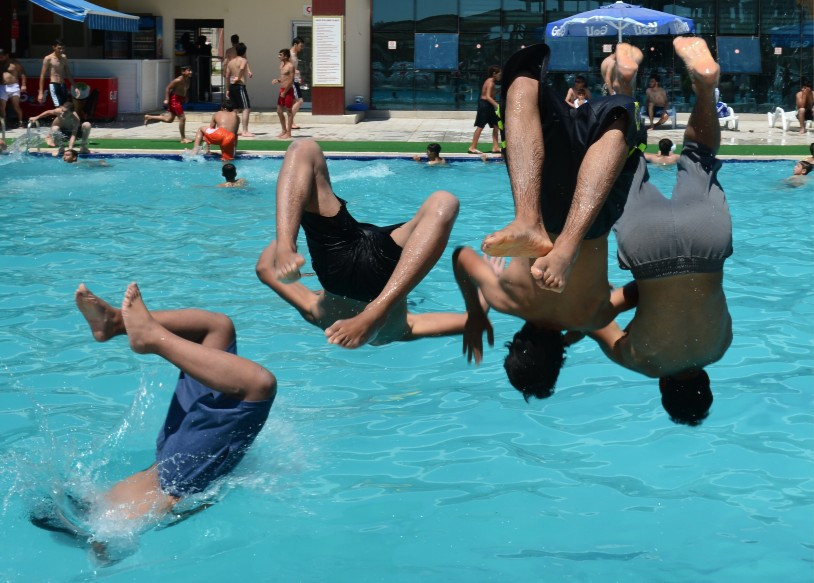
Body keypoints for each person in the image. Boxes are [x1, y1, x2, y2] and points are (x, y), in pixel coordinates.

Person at [587, 37, 732, 426]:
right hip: (646, 249)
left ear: (707, 381)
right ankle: (623, 89)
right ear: (664, 389)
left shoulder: (721, 347)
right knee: (626, 164)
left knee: (700, 157)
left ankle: (704, 87)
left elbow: (686, 291)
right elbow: (594, 321)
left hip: (708, 244)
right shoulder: (641, 363)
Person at [65, 282, 275, 527]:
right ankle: (150, 337)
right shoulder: (120, 516)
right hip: (181, 472)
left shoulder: (110, 510)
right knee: (256, 380)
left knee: (217, 330)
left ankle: (115, 323)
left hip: (178, 459)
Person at [255, 139, 472, 349]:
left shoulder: (396, 332)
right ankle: (376, 309)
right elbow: (265, 270)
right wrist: (279, 252)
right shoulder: (325, 318)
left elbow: (471, 322)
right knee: (445, 201)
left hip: (345, 264)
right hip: (354, 270)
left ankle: (288, 245)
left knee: (445, 202)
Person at [481, 42, 645, 295]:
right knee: (621, 109)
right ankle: (561, 242)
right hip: (590, 210)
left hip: (549, 190)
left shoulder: (508, 299)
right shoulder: (510, 299)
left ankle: (529, 219)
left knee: (522, 79)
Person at [144, 66, 193, 143]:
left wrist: (185, 97)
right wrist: (167, 99)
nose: (190, 72)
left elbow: (185, 89)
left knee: (169, 119)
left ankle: (149, 117)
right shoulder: (178, 80)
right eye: (188, 70)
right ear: (183, 72)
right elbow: (168, 88)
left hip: (179, 100)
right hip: (174, 100)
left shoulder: (187, 80)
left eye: (190, 70)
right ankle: (183, 138)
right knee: (182, 118)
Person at [468, 66, 502, 155]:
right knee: (480, 126)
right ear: (494, 74)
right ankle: (472, 147)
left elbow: (491, 93)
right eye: (499, 75)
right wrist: (497, 106)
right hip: (485, 106)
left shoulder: (490, 81)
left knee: (496, 125)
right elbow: (488, 97)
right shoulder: (491, 82)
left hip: (488, 105)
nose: (500, 77)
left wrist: (499, 90)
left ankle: (495, 147)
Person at [225, 43, 253, 137]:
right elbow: (241, 68)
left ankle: (234, 129)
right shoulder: (243, 60)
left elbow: (227, 76)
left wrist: (227, 89)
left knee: (235, 109)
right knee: (246, 108)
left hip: (232, 87)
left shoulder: (231, 62)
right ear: (244, 51)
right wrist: (238, 77)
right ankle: (245, 131)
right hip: (240, 86)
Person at [37, 39, 74, 107]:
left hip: (63, 85)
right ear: (54, 47)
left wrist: (74, 86)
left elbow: (68, 73)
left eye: (63, 48)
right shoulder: (48, 58)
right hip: (54, 85)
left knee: (65, 109)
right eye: (59, 48)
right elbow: (42, 75)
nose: (61, 50)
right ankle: (36, 117)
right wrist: (40, 92)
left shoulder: (64, 57)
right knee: (59, 109)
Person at [272, 48, 296, 140]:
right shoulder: (282, 65)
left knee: (289, 112)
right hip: (282, 90)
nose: (278, 56)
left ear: (286, 56)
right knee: (279, 111)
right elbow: (284, 78)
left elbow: (291, 81)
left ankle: (289, 133)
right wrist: (277, 80)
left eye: (280, 55)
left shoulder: (290, 66)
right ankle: (284, 130)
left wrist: (285, 92)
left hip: (288, 90)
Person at [0, 48, 27, 128]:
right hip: (2, 86)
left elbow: (23, 73)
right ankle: (3, 123)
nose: (0, 59)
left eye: (1, 57)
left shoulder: (14, 63)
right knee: (2, 106)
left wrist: (23, 85)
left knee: (16, 105)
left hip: (13, 86)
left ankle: (20, 122)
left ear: (6, 55)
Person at [289, 36, 306, 131]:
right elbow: (284, 67)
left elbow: (294, 69)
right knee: (300, 101)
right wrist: (294, 72)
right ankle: (290, 121)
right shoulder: (290, 54)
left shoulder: (295, 55)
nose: (301, 48)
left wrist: (298, 77)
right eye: (301, 46)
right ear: (295, 44)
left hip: (294, 80)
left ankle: (291, 122)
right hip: (290, 81)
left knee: (295, 102)